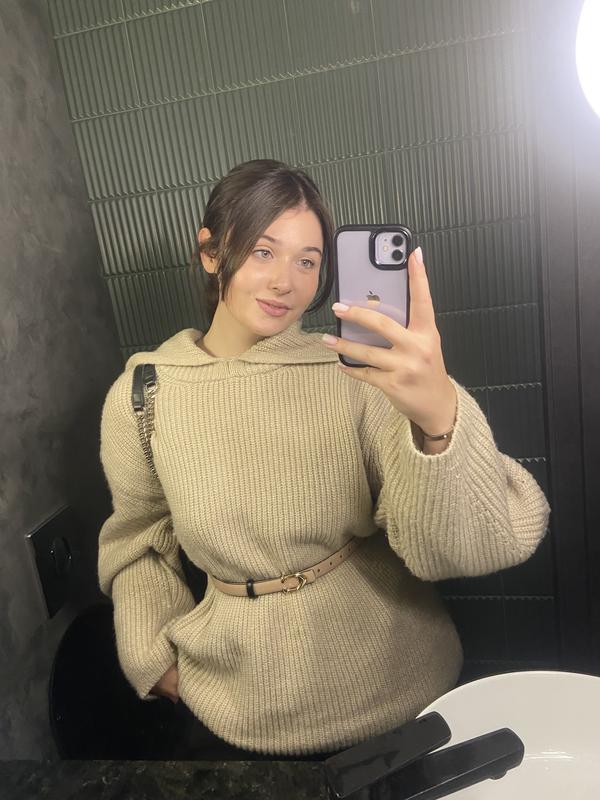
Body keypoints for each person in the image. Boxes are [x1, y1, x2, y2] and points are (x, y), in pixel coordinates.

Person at [97, 158, 551, 760]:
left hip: (401, 696)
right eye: (263, 251)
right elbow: (137, 539)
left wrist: (439, 416)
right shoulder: (144, 393)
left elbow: (462, 547)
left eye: (307, 261)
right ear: (210, 251)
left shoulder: (356, 375)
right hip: (236, 709)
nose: (285, 282)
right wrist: (151, 656)